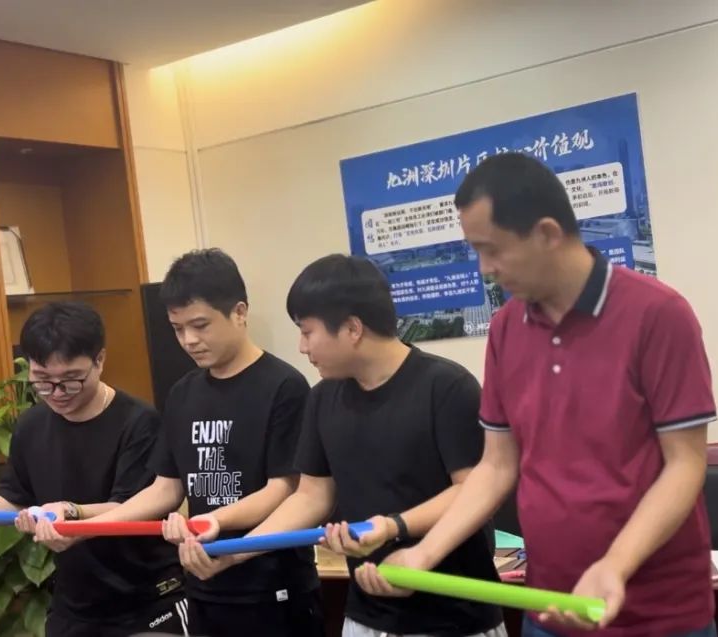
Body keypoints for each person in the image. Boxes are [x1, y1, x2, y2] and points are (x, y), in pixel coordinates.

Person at [358, 153, 718, 637]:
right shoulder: (506, 328)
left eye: (492, 250)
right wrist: (424, 553)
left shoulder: (658, 314)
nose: (485, 269)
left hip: (658, 614)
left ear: (547, 233)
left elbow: (685, 465)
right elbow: (496, 466)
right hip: (545, 603)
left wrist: (614, 564)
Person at [177, 254, 508, 637]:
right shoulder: (323, 398)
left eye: (307, 332)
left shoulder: (446, 387)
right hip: (365, 616)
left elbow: (473, 489)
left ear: (352, 328)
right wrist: (237, 552)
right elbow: (310, 497)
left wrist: (393, 527)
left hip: (456, 618)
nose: (302, 347)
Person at [0, 301, 188, 637]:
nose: (57, 393)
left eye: (71, 380)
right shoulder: (31, 425)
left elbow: (127, 508)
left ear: (100, 360)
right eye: (43, 381)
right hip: (74, 604)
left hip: (147, 600)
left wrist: (71, 515)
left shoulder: (139, 422)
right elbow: (15, 499)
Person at [88, 248, 323, 637]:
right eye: (178, 328)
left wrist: (212, 523)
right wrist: (89, 527)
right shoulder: (182, 393)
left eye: (200, 325)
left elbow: (284, 488)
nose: (189, 340)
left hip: (271, 589)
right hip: (203, 585)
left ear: (239, 312)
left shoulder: (284, 386)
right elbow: (165, 489)